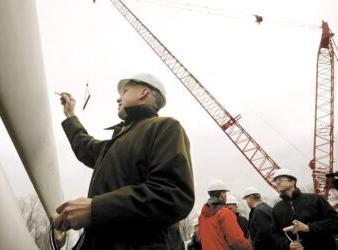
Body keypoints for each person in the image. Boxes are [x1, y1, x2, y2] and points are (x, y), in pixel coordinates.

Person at [52, 73, 195, 249]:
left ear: (143, 92)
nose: (118, 99)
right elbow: (85, 147)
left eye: (125, 91)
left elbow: (173, 195)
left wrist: (94, 209)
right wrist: (70, 115)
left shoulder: (165, 127)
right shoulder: (114, 143)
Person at [271, 168, 338, 250]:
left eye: (280, 179)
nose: (277, 183)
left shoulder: (315, 199)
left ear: (292, 182)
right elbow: (275, 234)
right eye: (275, 181)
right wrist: (288, 245)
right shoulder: (276, 209)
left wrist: (309, 227)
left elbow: (335, 221)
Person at [198, 179, 251, 250]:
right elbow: (236, 240)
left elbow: (201, 239)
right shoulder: (225, 213)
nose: (226, 196)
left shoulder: (201, 217)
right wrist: (249, 247)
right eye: (225, 193)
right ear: (222, 195)